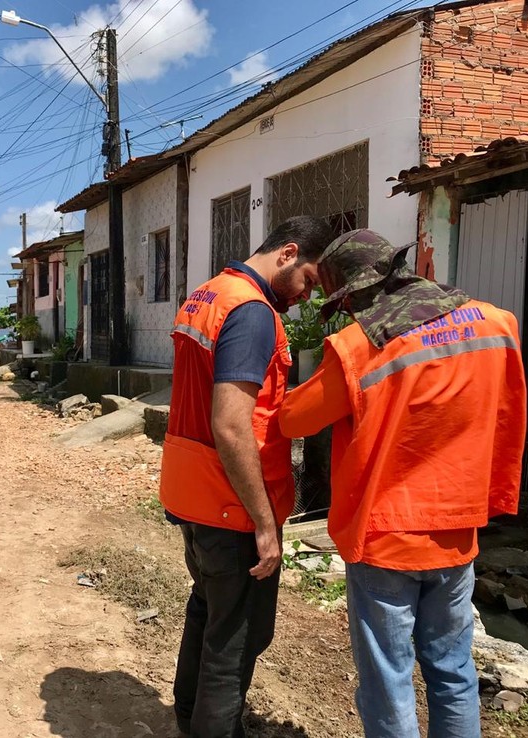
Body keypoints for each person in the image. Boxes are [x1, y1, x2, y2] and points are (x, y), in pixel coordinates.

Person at [278, 229, 527, 738]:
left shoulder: (358, 346)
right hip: (458, 531)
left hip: (386, 536)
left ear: (357, 294)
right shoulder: (497, 324)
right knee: (454, 673)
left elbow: (293, 420)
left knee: (388, 681)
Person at [160, 215, 335, 737]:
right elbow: (232, 426)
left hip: (192, 491)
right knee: (234, 642)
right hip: (229, 504)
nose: (306, 296)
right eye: (309, 280)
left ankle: (189, 718)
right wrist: (265, 523)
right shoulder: (253, 313)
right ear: (287, 253)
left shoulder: (208, 294)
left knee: (208, 610)